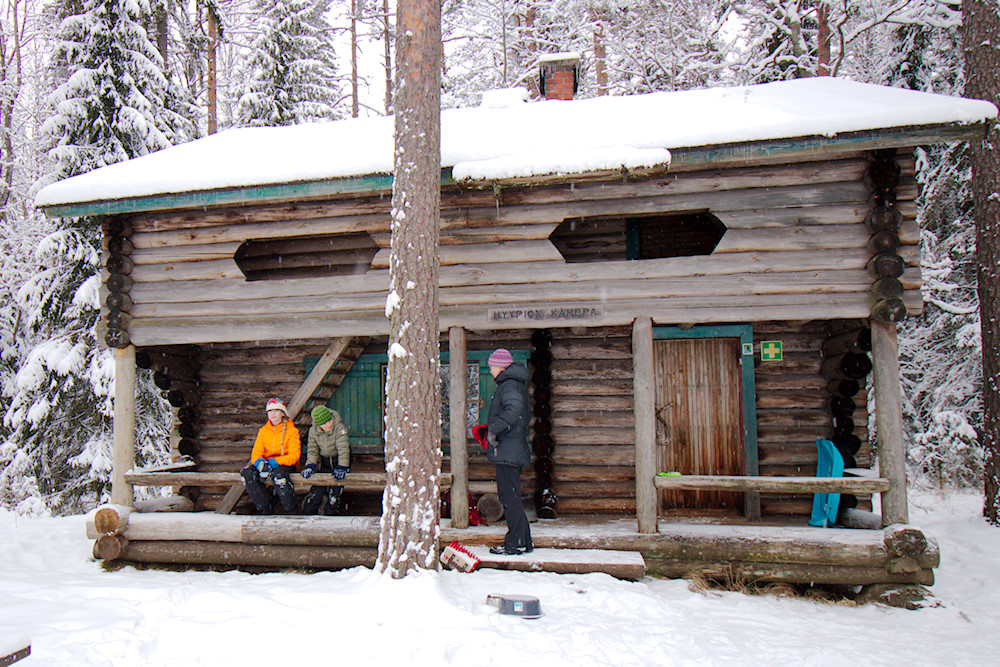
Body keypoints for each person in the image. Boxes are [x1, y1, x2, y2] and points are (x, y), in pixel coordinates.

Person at [483, 348, 533, 555]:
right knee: (511, 496)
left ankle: (516, 542)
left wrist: (494, 428)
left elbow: (513, 411)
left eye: (491, 366)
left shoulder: (509, 385)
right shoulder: (512, 384)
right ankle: (523, 540)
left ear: (499, 366)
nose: (490, 370)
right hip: (510, 448)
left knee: (509, 497)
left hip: (509, 450)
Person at [240, 398, 301, 514]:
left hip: (284, 463)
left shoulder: (291, 431)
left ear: (283, 413)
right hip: (267, 463)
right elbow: (256, 452)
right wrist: (260, 462)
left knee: (279, 476)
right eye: (270, 411)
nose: (272, 414)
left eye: (276, 410)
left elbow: (294, 456)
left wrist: (275, 462)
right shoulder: (263, 431)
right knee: (247, 474)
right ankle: (266, 506)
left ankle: (291, 509)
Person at [300, 405, 351, 515]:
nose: (328, 425)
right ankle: (308, 513)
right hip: (324, 462)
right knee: (316, 493)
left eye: (329, 421)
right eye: (324, 424)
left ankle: (331, 512)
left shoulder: (339, 428)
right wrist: (310, 465)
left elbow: (343, 449)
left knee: (334, 494)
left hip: (338, 460)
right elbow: (312, 450)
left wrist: (342, 467)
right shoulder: (313, 431)